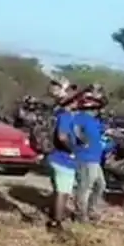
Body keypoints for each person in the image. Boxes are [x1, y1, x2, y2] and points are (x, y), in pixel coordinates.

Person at [45, 84, 80, 232]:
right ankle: (56, 222)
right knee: (63, 192)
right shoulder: (66, 116)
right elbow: (62, 136)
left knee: (58, 190)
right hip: (63, 159)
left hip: (53, 157)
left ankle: (55, 214)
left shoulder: (58, 113)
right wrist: (73, 150)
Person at [71, 87, 108, 223]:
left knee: (100, 185)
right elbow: (74, 130)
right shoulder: (80, 117)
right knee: (85, 187)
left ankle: (90, 210)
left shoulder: (95, 120)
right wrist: (81, 139)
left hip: (95, 158)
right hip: (85, 158)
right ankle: (80, 215)